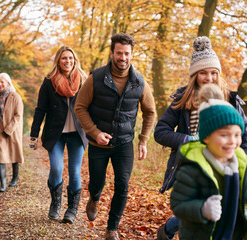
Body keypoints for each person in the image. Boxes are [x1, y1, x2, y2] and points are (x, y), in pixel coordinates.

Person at [154, 36, 247, 239]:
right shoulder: (182, 99)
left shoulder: (231, 101)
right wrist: (189, 141)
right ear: (194, 75)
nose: (209, 77)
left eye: (214, 73)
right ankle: (169, 229)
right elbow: (160, 132)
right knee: (196, 207)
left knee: (218, 209)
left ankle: (169, 229)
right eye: (203, 73)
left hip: (224, 164)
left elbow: (245, 136)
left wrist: (239, 160)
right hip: (191, 165)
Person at [74, 33, 156, 240]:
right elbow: (80, 107)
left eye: (127, 53)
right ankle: (94, 198)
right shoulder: (96, 78)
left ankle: (112, 228)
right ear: (112, 53)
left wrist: (143, 140)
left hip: (124, 143)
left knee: (123, 185)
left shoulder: (139, 83)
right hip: (98, 144)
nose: (123, 57)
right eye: (119, 53)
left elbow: (150, 112)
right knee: (96, 183)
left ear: (131, 55)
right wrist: (94, 132)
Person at [170, 83, 247, 239]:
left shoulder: (241, 164)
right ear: (206, 137)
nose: (232, 141)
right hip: (202, 234)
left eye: (237, 134)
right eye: (224, 135)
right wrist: (202, 209)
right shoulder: (193, 168)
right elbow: (178, 205)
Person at [30, 46, 88, 224]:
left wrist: (96, 130)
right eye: (64, 58)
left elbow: (92, 107)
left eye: (70, 58)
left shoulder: (84, 81)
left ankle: (71, 210)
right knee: (56, 168)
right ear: (58, 60)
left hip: (77, 134)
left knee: (74, 171)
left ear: (75, 60)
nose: (67, 61)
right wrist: (34, 134)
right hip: (56, 133)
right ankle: (55, 203)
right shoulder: (49, 82)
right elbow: (41, 109)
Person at [0, 73, 24, 192]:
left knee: (14, 153)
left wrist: (9, 129)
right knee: (1, 155)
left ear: (8, 83)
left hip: (13, 129)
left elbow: (18, 115)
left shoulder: (15, 96)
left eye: (2, 82)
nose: (0, 84)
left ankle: (15, 178)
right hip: (0, 129)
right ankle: (3, 184)